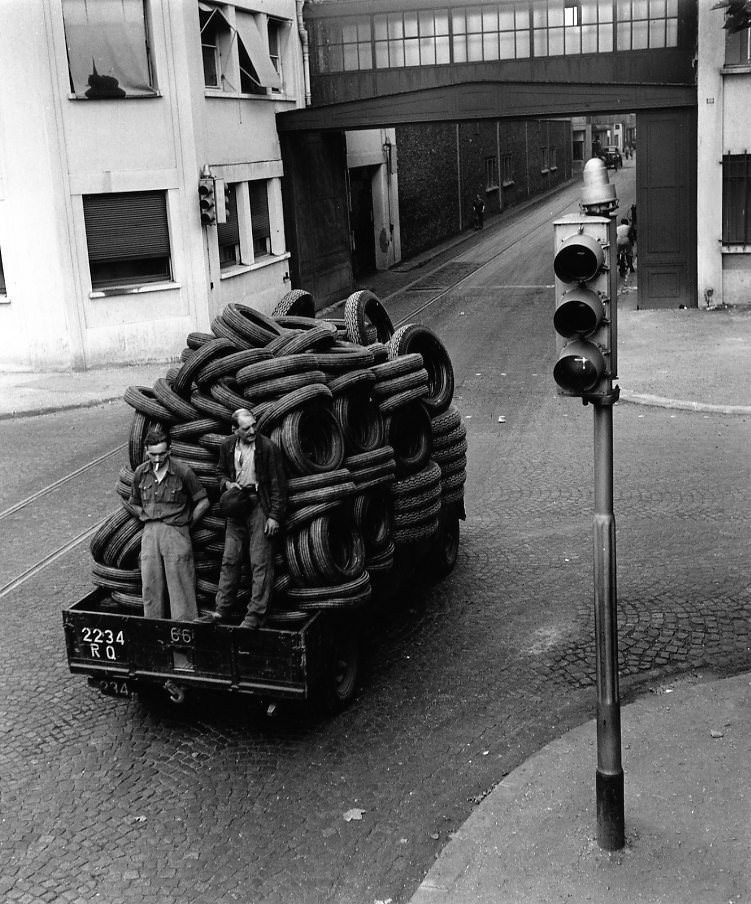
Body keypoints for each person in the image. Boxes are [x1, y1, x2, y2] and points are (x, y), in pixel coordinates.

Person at [209, 408, 287, 629]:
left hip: (259, 505)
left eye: (254, 425)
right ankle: (221, 610)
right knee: (230, 559)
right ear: (235, 430)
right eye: (246, 428)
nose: (253, 430)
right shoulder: (227, 446)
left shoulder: (268, 448)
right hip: (236, 506)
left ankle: (254, 617)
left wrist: (274, 516)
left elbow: (278, 485)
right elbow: (220, 472)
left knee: (260, 561)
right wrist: (226, 484)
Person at [128, 425, 209, 621]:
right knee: (150, 587)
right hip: (150, 534)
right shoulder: (141, 472)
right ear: (147, 451)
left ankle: (184, 641)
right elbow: (134, 503)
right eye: (153, 454)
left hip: (176, 531)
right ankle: (154, 636)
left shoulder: (182, 471)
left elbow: (203, 501)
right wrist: (145, 518)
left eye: (162, 454)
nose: (157, 459)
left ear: (169, 451)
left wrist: (186, 523)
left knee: (180, 588)